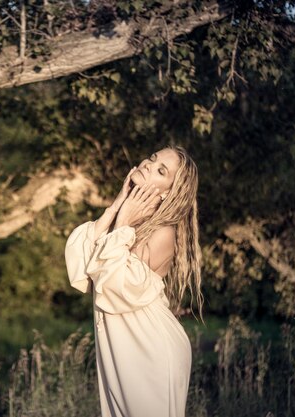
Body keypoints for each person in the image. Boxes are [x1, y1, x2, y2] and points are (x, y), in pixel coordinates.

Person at [64, 145, 203, 417]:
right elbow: (80, 263)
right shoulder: (128, 223)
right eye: (152, 158)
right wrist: (118, 205)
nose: (149, 164)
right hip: (122, 349)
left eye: (161, 170)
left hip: (151, 351)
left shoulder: (163, 233)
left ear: (167, 193)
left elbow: (113, 284)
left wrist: (123, 220)